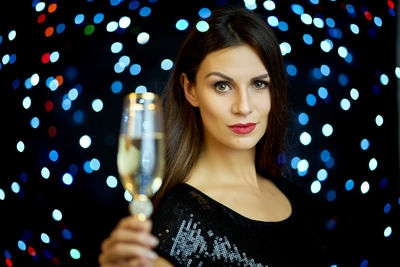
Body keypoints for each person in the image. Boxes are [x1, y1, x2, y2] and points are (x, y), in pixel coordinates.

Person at [99, 7, 327, 267]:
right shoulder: (177, 222)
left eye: (259, 84)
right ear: (190, 89)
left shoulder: (297, 198)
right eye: (222, 86)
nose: (243, 106)